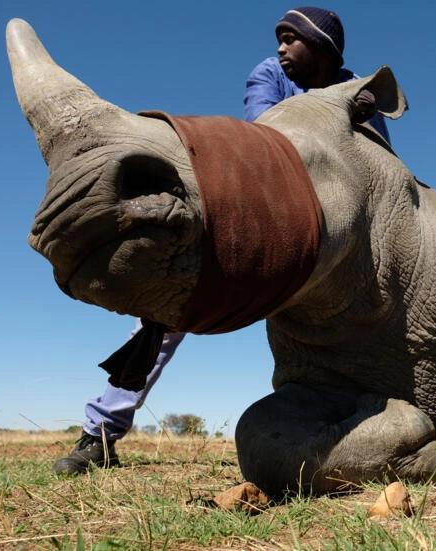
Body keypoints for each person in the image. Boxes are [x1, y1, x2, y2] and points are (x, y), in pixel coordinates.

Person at [52, 6, 389, 475]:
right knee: (166, 311)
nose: (280, 47)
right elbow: (269, 135)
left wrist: (367, 124)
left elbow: (382, 170)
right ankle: (100, 434)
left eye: (292, 38)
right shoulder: (269, 75)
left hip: (341, 232)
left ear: (323, 46)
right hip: (271, 210)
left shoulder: (358, 88)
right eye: (280, 37)